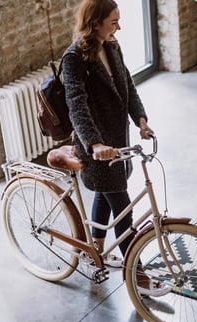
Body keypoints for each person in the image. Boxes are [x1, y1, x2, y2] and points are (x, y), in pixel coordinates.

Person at [63, 0, 167, 296]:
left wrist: (141, 120)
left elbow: (128, 88)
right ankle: (136, 273)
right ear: (95, 23)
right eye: (113, 22)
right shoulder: (74, 58)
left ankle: (96, 247)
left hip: (118, 144)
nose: (119, 27)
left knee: (106, 194)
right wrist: (94, 144)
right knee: (122, 208)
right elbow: (76, 105)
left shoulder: (112, 46)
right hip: (96, 149)